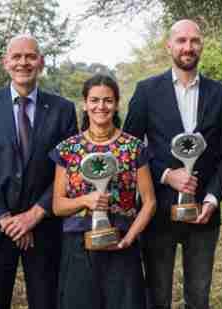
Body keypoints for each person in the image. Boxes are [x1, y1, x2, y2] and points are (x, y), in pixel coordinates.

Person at [122, 19, 222, 309]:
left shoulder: (220, 95)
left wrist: (211, 199)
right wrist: (165, 175)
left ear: (201, 46)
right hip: (157, 212)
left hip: (203, 216)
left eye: (194, 41)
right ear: (168, 45)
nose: (188, 47)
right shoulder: (146, 91)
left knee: (199, 298)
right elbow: (130, 149)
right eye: (181, 41)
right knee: (157, 297)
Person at [0, 34, 78, 309]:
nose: (23, 62)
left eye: (30, 56)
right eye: (16, 56)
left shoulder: (63, 109)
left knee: (47, 303)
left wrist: (34, 215)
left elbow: (69, 170)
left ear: (41, 62)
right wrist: (7, 220)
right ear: (5, 62)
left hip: (44, 228)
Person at [51, 74, 156, 309]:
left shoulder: (134, 147)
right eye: (94, 100)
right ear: (85, 103)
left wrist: (129, 238)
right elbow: (58, 206)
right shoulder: (67, 149)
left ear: (117, 103)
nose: (101, 106)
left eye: (108, 100)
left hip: (121, 245)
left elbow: (149, 202)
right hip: (78, 247)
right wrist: (86, 200)